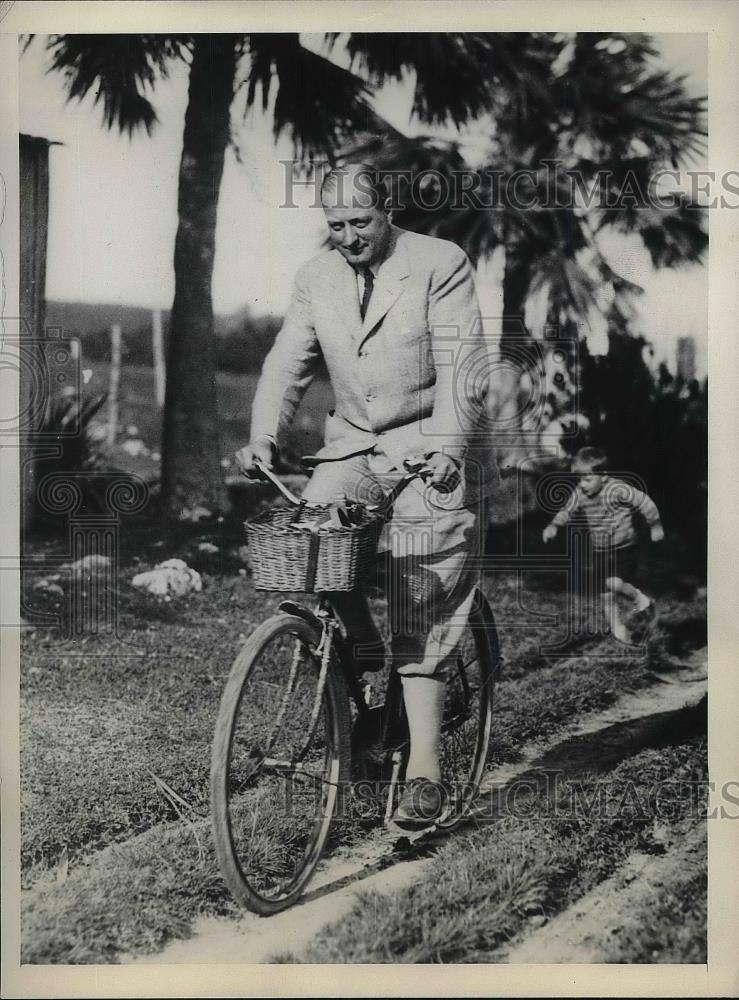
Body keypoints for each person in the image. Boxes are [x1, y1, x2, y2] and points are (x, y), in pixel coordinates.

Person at [235, 162, 497, 829]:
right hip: (353, 445)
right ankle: (366, 656)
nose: (349, 236)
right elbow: (286, 364)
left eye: (360, 222)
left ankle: (425, 773)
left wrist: (444, 452)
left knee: (418, 598)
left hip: (431, 447)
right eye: (336, 225)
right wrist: (262, 435)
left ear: (387, 213)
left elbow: (463, 370)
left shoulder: (438, 262)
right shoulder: (315, 277)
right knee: (316, 544)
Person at [542, 446, 664, 642]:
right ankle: (618, 631)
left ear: (604, 475)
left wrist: (655, 525)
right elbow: (567, 510)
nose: (582, 485)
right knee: (605, 594)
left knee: (613, 583)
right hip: (600, 549)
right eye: (579, 479)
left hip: (625, 547)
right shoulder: (580, 494)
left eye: (587, 479)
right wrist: (553, 526)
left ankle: (642, 600)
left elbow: (644, 501)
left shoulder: (617, 489)